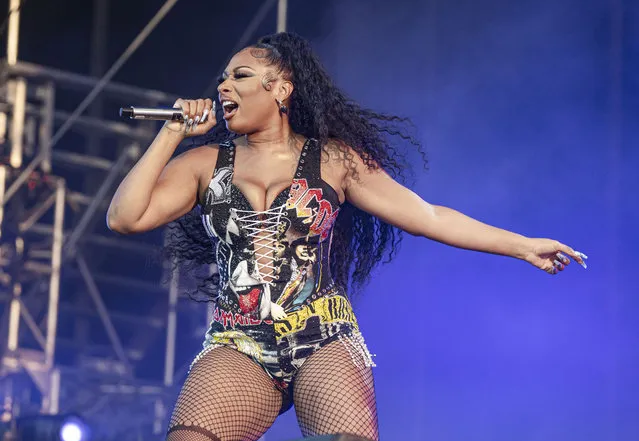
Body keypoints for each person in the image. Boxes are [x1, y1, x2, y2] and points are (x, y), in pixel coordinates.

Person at [107, 32, 587, 441]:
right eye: (223, 78)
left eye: (240, 76)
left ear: (281, 90)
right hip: (238, 342)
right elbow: (125, 219)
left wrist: (523, 245)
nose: (224, 85)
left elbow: (430, 216)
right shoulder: (203, 163)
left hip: (322, 337)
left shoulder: (335, 161)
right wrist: (171, 134)